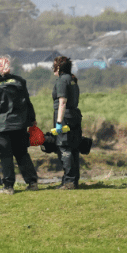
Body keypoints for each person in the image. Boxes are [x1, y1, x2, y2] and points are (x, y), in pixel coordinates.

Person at [0, 55, 40, 195]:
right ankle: (32, 182)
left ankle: (8, 186)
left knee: (5, 156)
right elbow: (27, 102)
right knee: (22, 154)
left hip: (2, 126)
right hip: (20, 124)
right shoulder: (19, 81)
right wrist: (32, 119)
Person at [50, 56, 82, 190]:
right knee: (74, 148)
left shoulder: (62, 81)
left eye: (54, 66)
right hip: (75, 116)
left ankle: (68, 182)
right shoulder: (73, 80)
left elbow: (62, 102)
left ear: (58, 67)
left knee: (64, 148)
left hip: (65, 117)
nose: (52, 69)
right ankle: (73, 180)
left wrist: (59, 122)